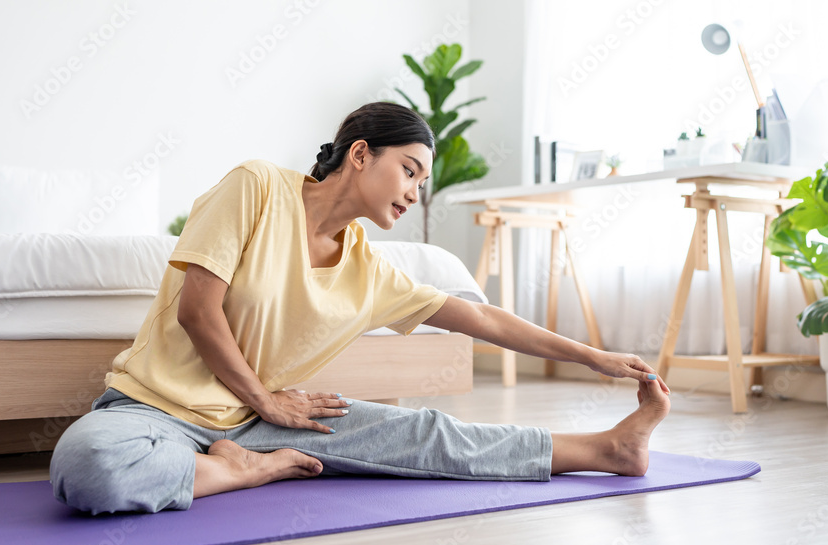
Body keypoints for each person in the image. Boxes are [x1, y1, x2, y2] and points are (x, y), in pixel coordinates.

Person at [50, 102, 671, 515]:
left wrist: (593, 356)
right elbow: (197, 312)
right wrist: (265, 403)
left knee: (428, 437)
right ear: (360, 154)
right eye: (409, 170)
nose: (414, 192)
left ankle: (608, 451)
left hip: (264, 421)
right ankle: (238, 473)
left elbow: (480, 318)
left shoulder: (369, 270)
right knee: (89, 467)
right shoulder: (257, 187)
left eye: (421, 183)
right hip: (155, 410)